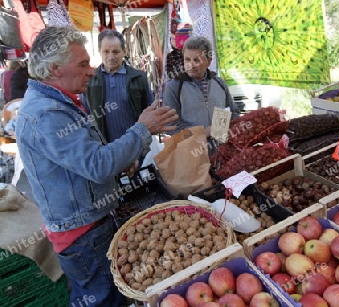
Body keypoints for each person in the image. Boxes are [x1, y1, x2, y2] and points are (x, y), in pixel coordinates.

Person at [15, 26, 178, 307]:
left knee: (108, 297)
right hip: (83, 234)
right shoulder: (47, 114)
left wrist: (120, 163)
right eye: (83, 64)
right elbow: (96, 165)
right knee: (102, 300)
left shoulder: (58, 100)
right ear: (55, 69)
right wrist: (141, 130)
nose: (91, 70)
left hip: (87, 224)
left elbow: (86, 161)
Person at [162, 35, 239, 148]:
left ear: (208, 61)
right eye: (187, 59)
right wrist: (204, 132)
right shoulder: (174, 87)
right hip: (190, 156)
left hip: (221, 154)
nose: (191, 65)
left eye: (196, 60)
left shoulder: (220, 84)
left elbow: (234, 113)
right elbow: (170, 126)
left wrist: (223, 128)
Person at [82, 29, 154, 144]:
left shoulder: (139, 78)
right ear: (99, 51)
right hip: (103, 148)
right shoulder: (89, 80)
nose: (111, 57)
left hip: (135, 145)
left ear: (124, 51)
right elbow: (84, 115)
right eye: (106, 51)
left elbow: (150, 111)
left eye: (116, 52)